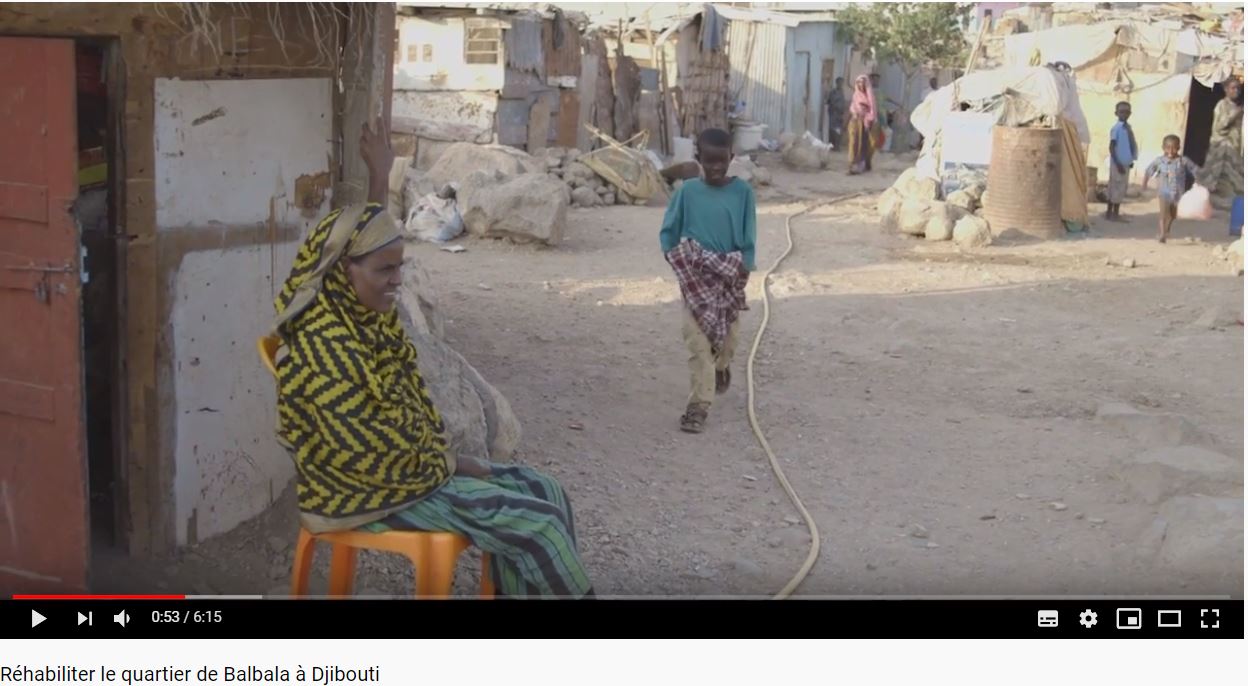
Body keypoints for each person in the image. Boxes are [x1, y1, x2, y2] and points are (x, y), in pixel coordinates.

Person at [271, 119, 593, 599]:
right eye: (385, 270)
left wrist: (379, 175)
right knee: (538, 525)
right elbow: (371, 456)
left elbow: (368, 232)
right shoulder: (324, 347)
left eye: (400, 267)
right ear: (343, 272)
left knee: (546, 490)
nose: (397, 280)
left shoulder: (359, 317)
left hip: (408, 472)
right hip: (366, 494)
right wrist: (454, 464)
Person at [659, 128, 755, 434]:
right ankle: (698, 406)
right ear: (698, 159)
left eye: (722, 161)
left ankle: (722, 366)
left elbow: (749, 232)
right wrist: (676, 257)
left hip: (729, 276)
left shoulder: (743, 193)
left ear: (732, 158)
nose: (715, 167)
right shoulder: (686, 192)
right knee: (697, 341)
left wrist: (745, 266)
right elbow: (669, 232)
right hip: (697, 278)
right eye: (709, 161)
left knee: (728, 341)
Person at [1142, 134, 1201, 244]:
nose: (1171, 150)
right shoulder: (1159, 161)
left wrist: (1198, 181)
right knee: (1163, 213)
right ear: (1163, 148)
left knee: (1173, 214)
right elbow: (1149, 170)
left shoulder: (1183, 161)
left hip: (1178, 193)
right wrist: (1144, 184)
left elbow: (1195, 170)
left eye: (1174, 147)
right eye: (1168, 147)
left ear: (1178, 148)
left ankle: (1167, 229)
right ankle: (1162, 234)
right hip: (1163, 192)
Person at [1198, 77, 1243, 210]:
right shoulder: (1222, 105)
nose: (1236, 91)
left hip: (1234, 148)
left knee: (1231, 178)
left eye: (1238, 88)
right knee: (1214, 176)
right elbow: (1220, 127)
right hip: (1221, 147)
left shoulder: (1236, 107)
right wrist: (1235, 114)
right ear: (1226, 90)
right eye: (1233, 88)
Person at [1106, 101, 1138, 221]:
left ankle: (1111, 213)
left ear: (1130, 113)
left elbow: (1129, 145)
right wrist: (1118, 163)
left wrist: (1130, 160)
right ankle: (1113, 214)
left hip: (1125, 163)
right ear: (1116, 113)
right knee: (1116, 187)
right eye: (1121, 111)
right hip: (1118, 163)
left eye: (1126, 112)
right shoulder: (1117, 128)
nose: (1124, 114)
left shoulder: (1127, 128)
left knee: (1120, 187)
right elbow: (1112, 147)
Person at [846, 75, 877, 175]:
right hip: (855, 121)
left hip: (866, 122)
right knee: (854, 142)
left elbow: (872, 109)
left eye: (862, 83)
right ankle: (852, 164)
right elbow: (852, 106)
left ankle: (862, 164)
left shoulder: (870, 96)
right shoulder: (856, 95)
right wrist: (854, 112)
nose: (860, 85)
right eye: (858, 83)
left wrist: (868, 118)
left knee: (865, 143)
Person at [825, 77, 847, 150]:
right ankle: (833, 146)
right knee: (833, 130)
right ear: (837, 83)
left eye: (842, 83)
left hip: (840, 114)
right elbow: (830, 102)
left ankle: (837, 146)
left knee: (838, 130)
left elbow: (843, 103)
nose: (841, 84)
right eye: (839, 82)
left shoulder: (842, 92)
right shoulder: (833, 92)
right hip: (834, 113)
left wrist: (843, 111)